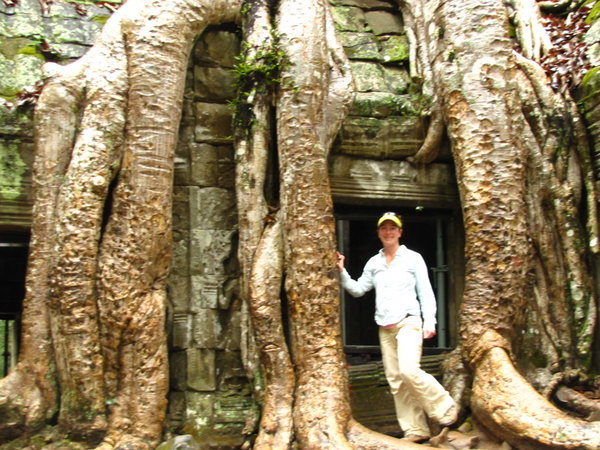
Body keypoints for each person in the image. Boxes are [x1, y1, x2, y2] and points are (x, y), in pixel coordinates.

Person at [336, 211, 457, 443]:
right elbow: (359, 289)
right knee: (396, 380)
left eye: (393, 228)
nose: (388, 232)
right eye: (384, 228)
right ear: (379, 232)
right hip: (385, 326)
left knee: (409, 370)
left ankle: (445, 407)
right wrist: (341, 271)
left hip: (409, 321)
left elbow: (425, 291)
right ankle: (415, 429)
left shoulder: (413, 258)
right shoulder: (374, 262)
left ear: (400, 232)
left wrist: (430, 321)